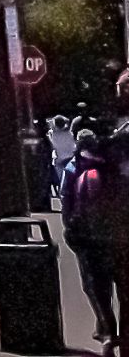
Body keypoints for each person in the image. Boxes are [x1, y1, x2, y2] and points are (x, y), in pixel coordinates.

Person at [65, 128, 120, 354]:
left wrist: (71, 232)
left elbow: (66, 202)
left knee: (95, 287)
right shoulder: (114, 169)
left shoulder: (73, 168)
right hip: (116, 238)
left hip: (88, 239)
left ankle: (107, 331)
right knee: (121, 286)